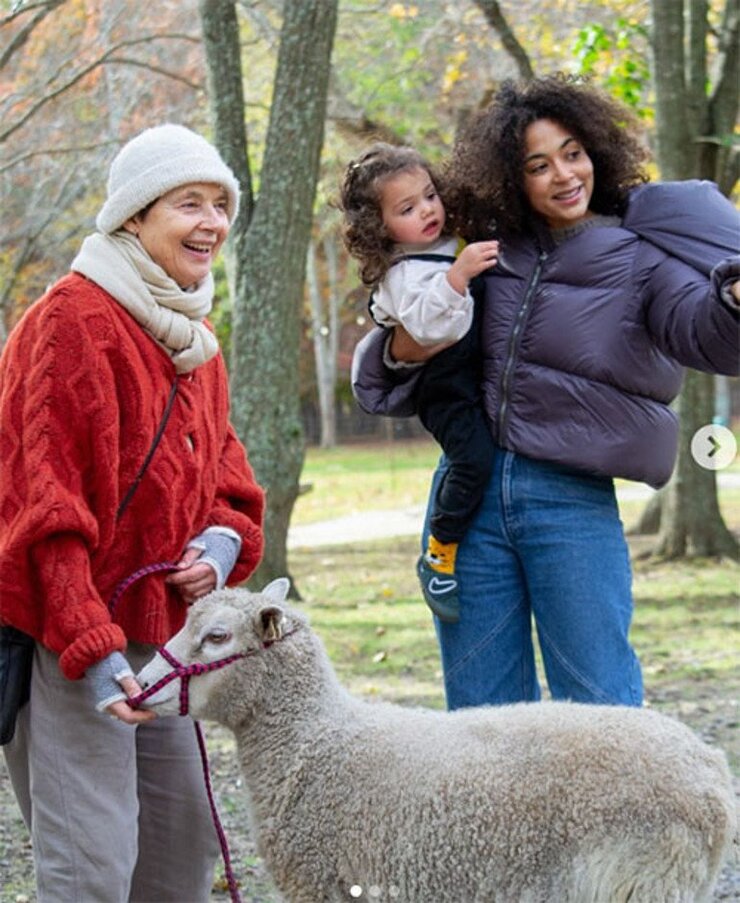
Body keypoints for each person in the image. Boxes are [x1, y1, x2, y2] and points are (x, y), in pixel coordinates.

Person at [352, 75, 740, 712]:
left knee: (600, 708)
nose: (563, 174)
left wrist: (729, 296)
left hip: (571, 503)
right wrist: (401, 349)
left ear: (596, 153)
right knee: (483, 718)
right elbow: (380, 377)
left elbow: (707, 336)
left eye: (573, 152)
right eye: (538, 164)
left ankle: (622, 819)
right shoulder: (483, 252)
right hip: (466, 500)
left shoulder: (640, 258)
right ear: (511, 175)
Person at [0, 124, 266, 902]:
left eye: (222, 204)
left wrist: (219, 545)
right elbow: (40, 507)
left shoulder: (193, 336)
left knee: (179, 854)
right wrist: (91, 644)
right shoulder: (69, 321)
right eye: (190, 203)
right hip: (67, 635)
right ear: (134, 217)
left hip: (162, 636)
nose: (212, 222)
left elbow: (228, 478)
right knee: (93, 864)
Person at [340, 142, 499, 622]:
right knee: (473, 460)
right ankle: (440, 550)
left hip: (476, 373)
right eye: (407, 209)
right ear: (380, 227)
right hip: (443, 385)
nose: (427, 211)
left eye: (430, 195)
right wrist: (459, 276)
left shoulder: (446, 243)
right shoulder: (401, 273)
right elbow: (431, 331)